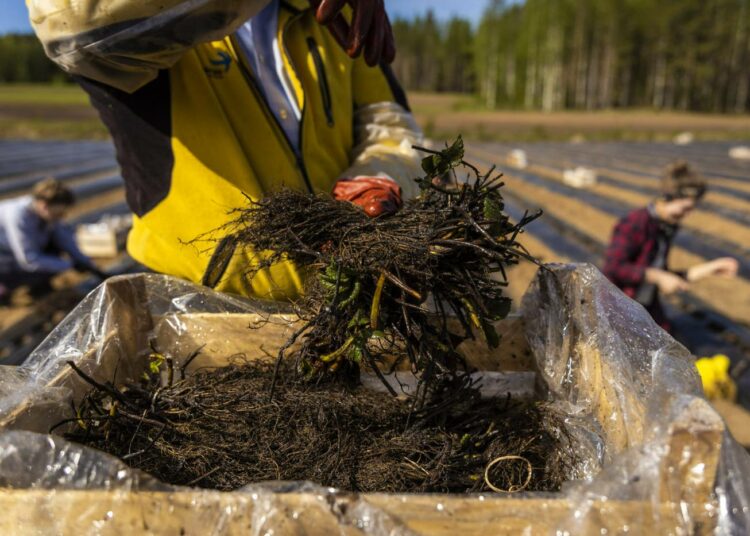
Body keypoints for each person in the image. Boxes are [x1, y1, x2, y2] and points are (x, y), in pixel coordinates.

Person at [28, 0, 424, 300]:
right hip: (191, 303)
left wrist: (380, 178)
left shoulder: (333, 12)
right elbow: (77, 25)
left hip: (335, 297)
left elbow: (388, 123)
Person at [603, 161, 738, 332]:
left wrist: (712, 267)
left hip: (645, 305)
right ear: (666, 198)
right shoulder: (636, 223)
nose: (687, 215)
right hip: (619, 308)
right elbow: (614, 267)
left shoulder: (664, 228)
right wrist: (657, 276)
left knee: (669, 339)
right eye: (685, 208)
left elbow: (664, 275)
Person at [0, 179, 107, 304]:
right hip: (4, 256)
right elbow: (29, 260)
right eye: (59, 213)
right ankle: (5, 286)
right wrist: (69, 265)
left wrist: (87, 263)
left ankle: (37, 284)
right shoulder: (18, 217)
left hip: (15, 251)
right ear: (44, 206)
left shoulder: (45, 213)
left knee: (53, 251)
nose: (62, 217)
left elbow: (65, 240)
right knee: (43, 264)